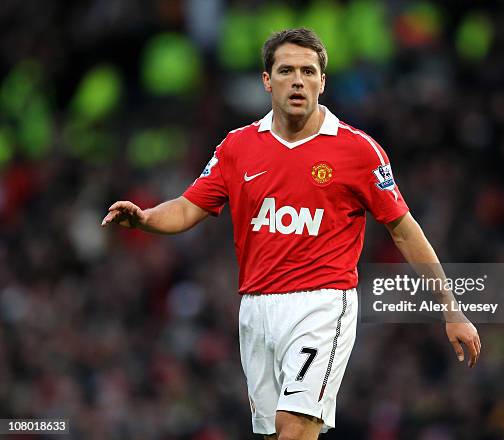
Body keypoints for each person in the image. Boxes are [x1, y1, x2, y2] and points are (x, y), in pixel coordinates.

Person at [102, 28, 481, 440]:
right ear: (267, 81)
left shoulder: (357, 151)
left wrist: (451, 308)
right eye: (286, 70)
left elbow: (405, 231)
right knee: (273, 433)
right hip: (255, 309)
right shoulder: (237, 147)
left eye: (307, 70)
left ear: (322, 81)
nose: (297, 80)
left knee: (295, 427)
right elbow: (188, 207)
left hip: (321, 304)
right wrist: (144, 218)